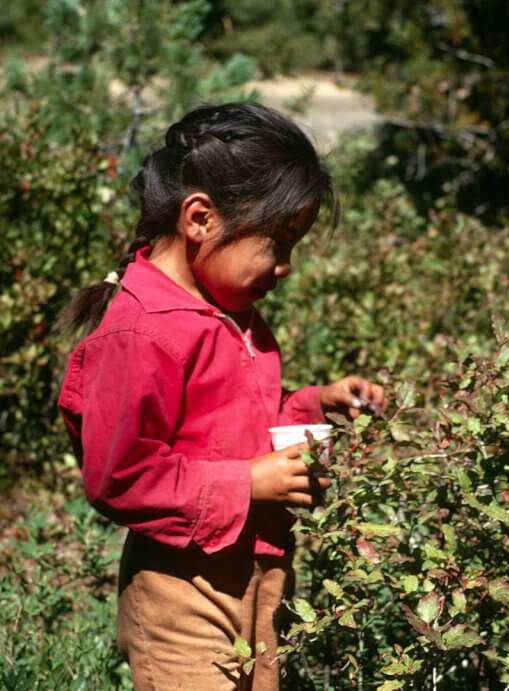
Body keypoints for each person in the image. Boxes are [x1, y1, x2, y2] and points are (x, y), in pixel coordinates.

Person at [56, 102, 386, 690]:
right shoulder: (141, 332)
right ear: (201, 218)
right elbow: (119, 475)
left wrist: (313, 407)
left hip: (260, 579)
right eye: (277, 243)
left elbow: (238, 425)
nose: (284, 267)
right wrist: (248, 483)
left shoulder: (234, 314)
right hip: (181, 595)